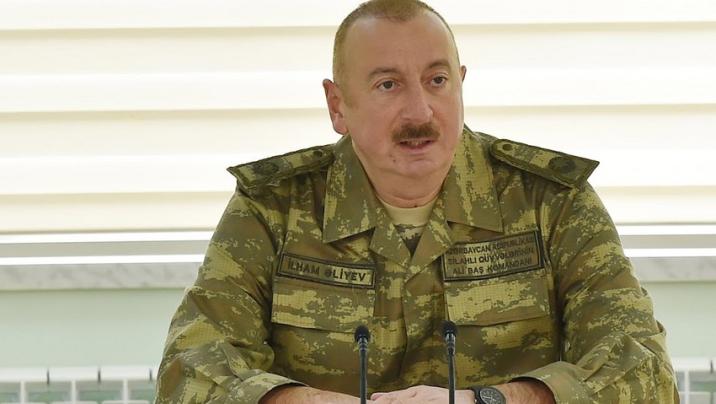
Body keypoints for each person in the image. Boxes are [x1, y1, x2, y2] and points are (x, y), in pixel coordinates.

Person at [155, 1, 679, 403]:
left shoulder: (552, 202)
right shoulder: (273, 209)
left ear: (461, 84)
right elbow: (190, 370)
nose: (420, 112)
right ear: (338, 106)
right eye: (388, 85)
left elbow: (642, 368)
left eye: (437, 80)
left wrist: (488, 401)